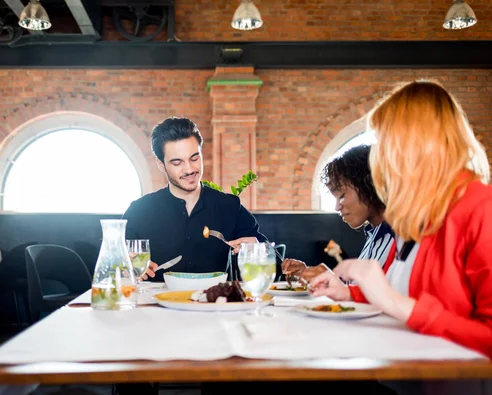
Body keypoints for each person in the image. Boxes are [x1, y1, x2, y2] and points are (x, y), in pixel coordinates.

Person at [310, 81, 492, 367]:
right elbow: (403, 291)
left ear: (420, 143)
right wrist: (350, 293)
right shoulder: (417, 215)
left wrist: (398, 305)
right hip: (399, 373)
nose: (380, 157)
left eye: (387, 143)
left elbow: (405, 306)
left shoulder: (481, 209)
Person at [122, 116, 268, 282]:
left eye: (194, 158)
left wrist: (258, 252)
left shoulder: (229, 207)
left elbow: (272, 261)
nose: (190, 169)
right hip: (153, 305)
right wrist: (123, 265)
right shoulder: (139, 211)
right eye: (177, 163)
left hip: (215, 303)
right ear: (161, 165)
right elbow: (114, 263)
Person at [282, 145, 396, 300]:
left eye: (341, 195)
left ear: (370, 184)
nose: (337, 206)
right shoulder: (373, 237)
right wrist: (313, 274)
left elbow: (390, 300)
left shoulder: (398, 239)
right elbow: (356, 290)